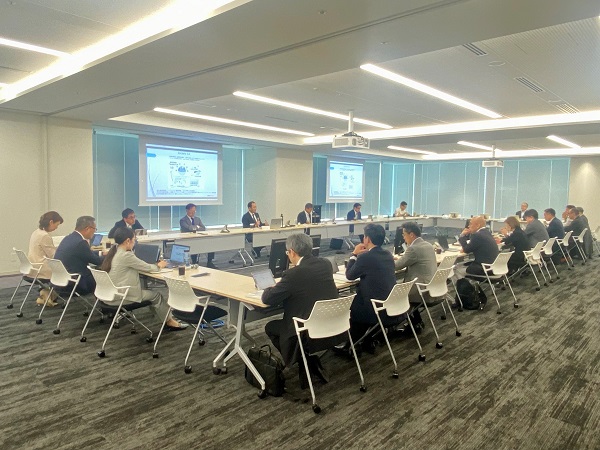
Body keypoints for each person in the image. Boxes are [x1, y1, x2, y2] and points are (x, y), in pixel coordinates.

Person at [262, 233, 337, 387]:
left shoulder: (293, 274)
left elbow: (267, 299)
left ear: (292, 252)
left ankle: (303, 360)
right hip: (332, 324)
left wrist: (271, 287)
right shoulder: (325, 264)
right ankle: (306, 360)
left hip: (307, 330)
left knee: (270, 327)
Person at [100, 228, 186, 330]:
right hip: (121, 297)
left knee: (149, 293)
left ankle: (164, 317)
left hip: (108, 294)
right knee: (157, 296)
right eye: (134, 239)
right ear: (128, 241)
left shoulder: (115, 251)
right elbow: (148, 268)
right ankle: (170, 322)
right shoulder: (126, 255)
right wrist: (159, 265)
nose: (135, 242)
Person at [344, 223, 396, 351]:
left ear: (367, 239)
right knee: (358, 302)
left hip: (375, 308)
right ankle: (367, 339)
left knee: (352, 307)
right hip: (391, 304)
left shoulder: (365, 257)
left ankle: (352, 346)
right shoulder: (388, 254)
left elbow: (349, 275)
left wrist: (354, 254)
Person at [393, 222, 436, 328]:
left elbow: (396, 266)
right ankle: (416, 322)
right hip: (432, 287)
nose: (403, 238)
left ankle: (403, 324)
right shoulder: (428, 245)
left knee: (394, 294)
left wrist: (387, 259)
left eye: (404, 235)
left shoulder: (414, 248)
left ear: (411, 235)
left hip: (421, 290)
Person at [54, 216, 104, 296]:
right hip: (77, 282)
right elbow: (97, 261)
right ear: (87, 228)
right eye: (95, 229)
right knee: (104, 278)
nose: (94, 232)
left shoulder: (69, 238)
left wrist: (101, 253)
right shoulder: (81, 243)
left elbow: (86, 253)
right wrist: (111, 256)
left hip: (61, 280)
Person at [28, 211, 64, 307]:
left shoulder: (36, 232)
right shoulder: (44, 236)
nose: (56, 228)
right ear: (51, 222)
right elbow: (53, 256)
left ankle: (46, 294)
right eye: (57, 225)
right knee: (67, 270)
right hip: (42, 268)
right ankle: (51, 294)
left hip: (33, 266)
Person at [179, 203, 216, 269]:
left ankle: (209, 262)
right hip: (188, 240)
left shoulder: (197, 219)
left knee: (211, 243)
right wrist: (197, 226)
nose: (193, 212)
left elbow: (203, 228)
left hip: (198, 238)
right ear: (187, 210)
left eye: (194, 211)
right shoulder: (183, 220)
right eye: (192, 211)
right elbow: (189, 228)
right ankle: (194, 262)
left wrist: (194, 227)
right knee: (194, 245)